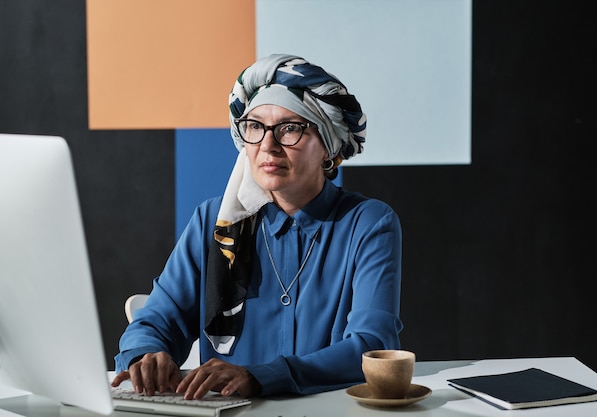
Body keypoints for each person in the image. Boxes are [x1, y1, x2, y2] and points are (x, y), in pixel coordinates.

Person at [111, 54, 403, 399]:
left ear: (329, 147)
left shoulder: (368, 223)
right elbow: (159, 319)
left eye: (290, 128)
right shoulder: (213, 222)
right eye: (255, 127)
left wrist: (262, 377)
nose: (267, 145)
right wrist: (146, 354)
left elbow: (373, 347)